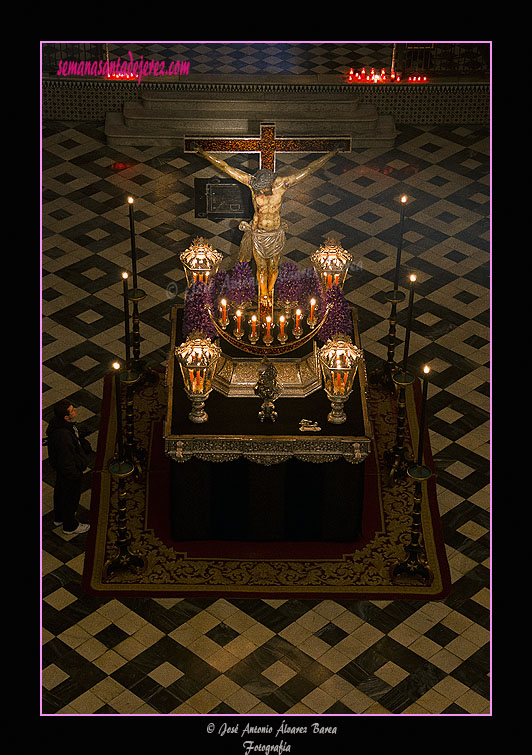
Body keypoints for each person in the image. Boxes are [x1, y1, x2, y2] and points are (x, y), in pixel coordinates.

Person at [196, 145, 339, 313]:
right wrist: (204, 153)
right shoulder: (252, 183)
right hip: (259, 234)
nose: (260, 195)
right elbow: (226, 167)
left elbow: (309, 170)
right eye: (258, 192)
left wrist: (331, 153)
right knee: (261, 268)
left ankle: (270, 290)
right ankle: (264, 294)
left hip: (276, 234)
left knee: (273, 267)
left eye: (263, 191)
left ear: (270, 184)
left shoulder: (283, 185)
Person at [46, 399, 90, 535]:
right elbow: (67, 459)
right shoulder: (63, 436)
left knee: (60, 493)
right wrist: (75, 474)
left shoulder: (60, 426)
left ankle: (59, 517)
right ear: (66, 417)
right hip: (69, 472)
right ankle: (70, 525)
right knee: (70, 498)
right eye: (72, 411)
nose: (75, 411)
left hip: (62, 470)